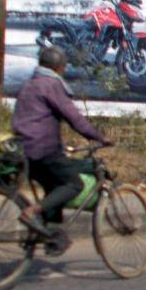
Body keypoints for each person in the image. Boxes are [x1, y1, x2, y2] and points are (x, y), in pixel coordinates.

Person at [12, 46, 110, 240]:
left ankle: (44, 232)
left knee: (54, 182)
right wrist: (98, 136)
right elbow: (74, 118)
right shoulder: (51, 84)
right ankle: (33, 212)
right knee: (74, 183)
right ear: (59, 67)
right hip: (41, 151)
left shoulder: (29, 84)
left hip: (22, 150)